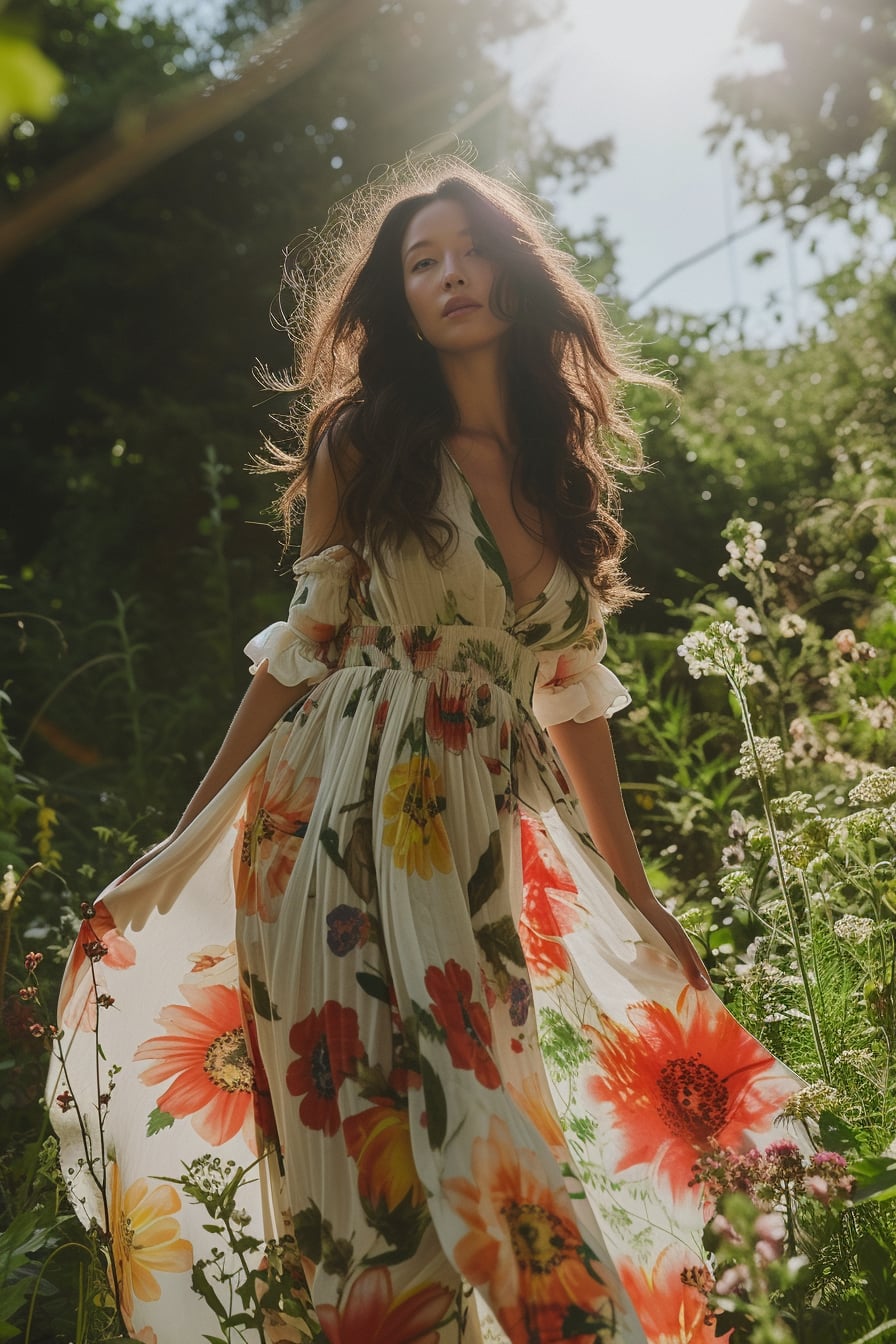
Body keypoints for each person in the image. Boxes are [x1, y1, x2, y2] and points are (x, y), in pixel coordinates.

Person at [48, 153, 808, 1344]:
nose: (450, 274)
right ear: (395, 300)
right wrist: (184, 841)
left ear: (515, 277)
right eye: (420, 261)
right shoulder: (358, 443)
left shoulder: (562, 476)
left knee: (500, 1148)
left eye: (470, 251)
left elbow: (569, 699)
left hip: (472, 857)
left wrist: (639, 892)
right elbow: (300, 651)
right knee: (367, 1194)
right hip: (334, 832)